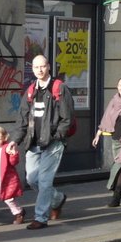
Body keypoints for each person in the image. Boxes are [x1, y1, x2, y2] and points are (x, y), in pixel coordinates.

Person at [10, 54, 73, 229]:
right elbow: (22, 119)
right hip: (33, 142)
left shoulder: (59, 88)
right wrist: (15, 140)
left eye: (42, 66)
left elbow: (66, 118)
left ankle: (40, 217)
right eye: (36, 67)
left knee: (45, 180)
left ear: (49, 67)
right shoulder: (30, 91)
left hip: (53, 142)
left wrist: (57, 136)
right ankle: (57, 199)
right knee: (31, 179)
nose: (39, 70)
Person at [92, 77, 121, 207]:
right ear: (117, 86)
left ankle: (116, 198)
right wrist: (98, 135)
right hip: (115, 140)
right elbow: (106, 118)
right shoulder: (114, 100)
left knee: (120, 167)